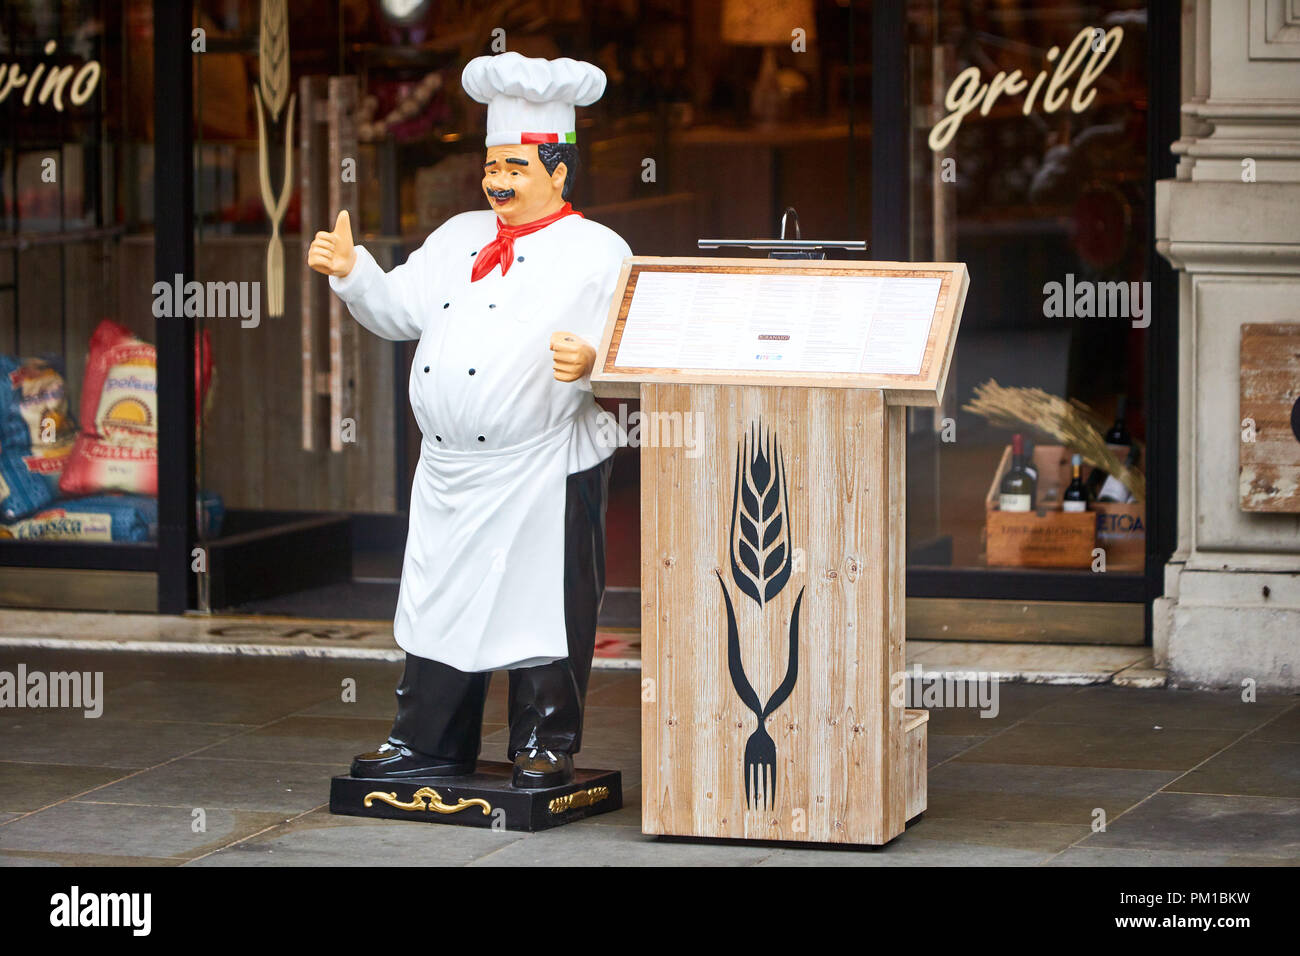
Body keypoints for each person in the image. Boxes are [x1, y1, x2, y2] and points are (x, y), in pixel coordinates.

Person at [307, 52, 630, 789]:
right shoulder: (457, 237)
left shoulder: (598, 252)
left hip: (541, 465)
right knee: (436, 603)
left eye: (515, 167)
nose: (498, 181)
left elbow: (632, 348)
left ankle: (545, 745)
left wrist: (596, 365)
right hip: (450, 468)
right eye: (492, 165)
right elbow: (398, 311)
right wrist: (355, 273)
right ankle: (426, 740)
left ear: (558, 170)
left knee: (543, 610)